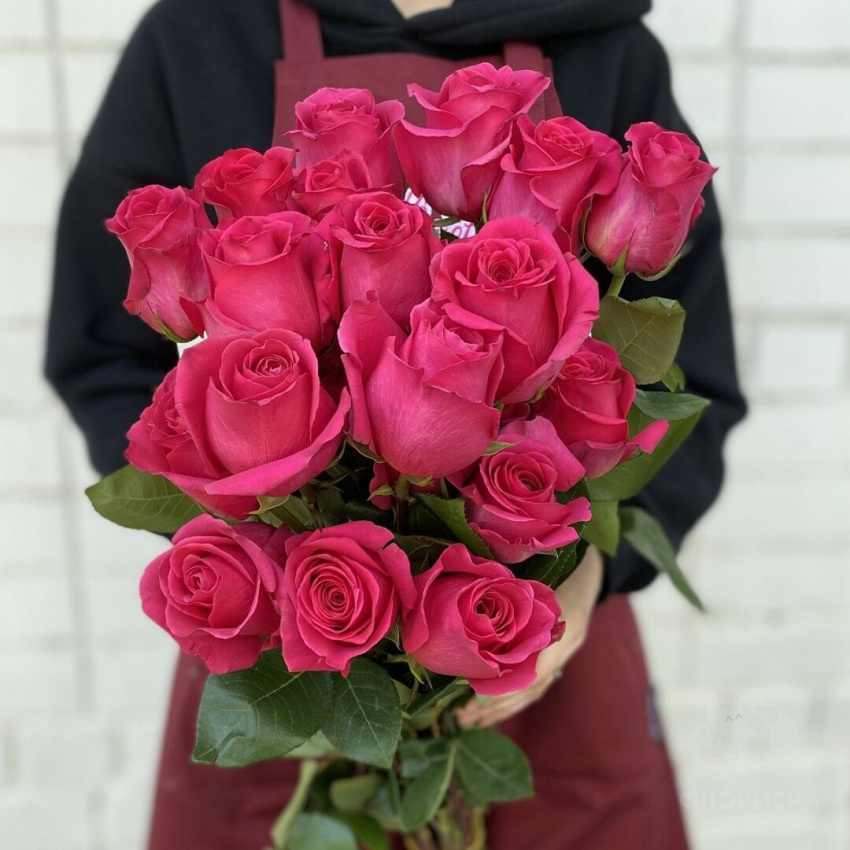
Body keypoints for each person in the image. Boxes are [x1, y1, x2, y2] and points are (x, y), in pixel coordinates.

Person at [45, 1, 746, 848]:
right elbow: (103, 357)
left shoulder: (608, 45)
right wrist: (263, 556)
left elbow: (693, 379)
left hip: (544, 636)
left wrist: (595, 566)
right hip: (286, 649)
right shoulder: (200, 35)